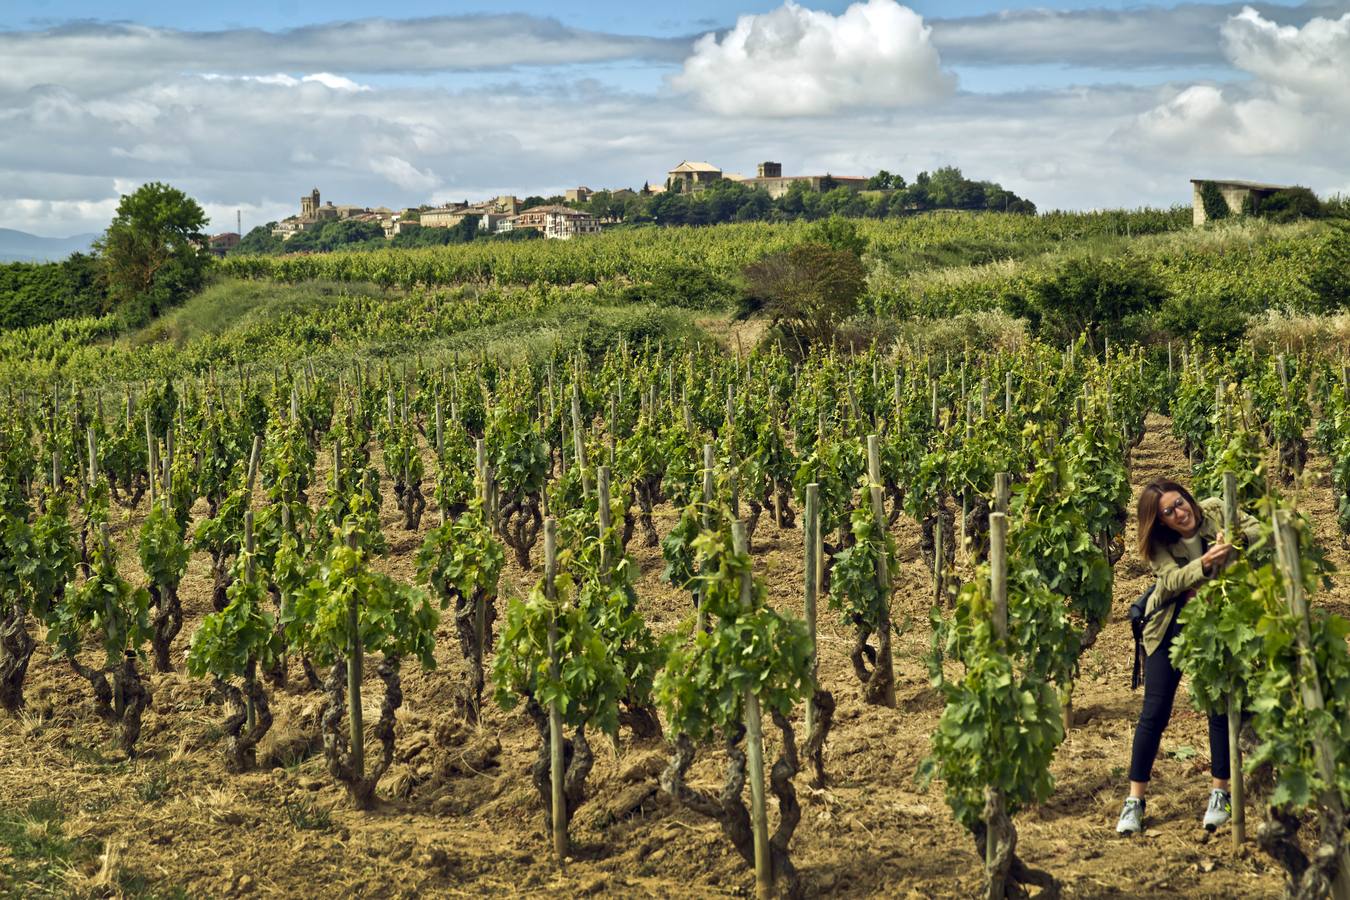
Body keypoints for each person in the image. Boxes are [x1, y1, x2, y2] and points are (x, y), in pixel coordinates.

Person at [1116, 478, 1262, 836]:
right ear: (1160, 521)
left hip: (1218, 622)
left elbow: (1259, 530)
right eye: (1169, 512)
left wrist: (1237, 541)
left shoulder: (1215, 509)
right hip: (1170, 628)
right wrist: (1206, 563)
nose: (1180, 513)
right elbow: (1169, 582)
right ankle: (1134, 800)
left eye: (1180, 502)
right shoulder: (1158, 545)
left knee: (1219, 705)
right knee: (1155, 711)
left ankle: (1220, 793)